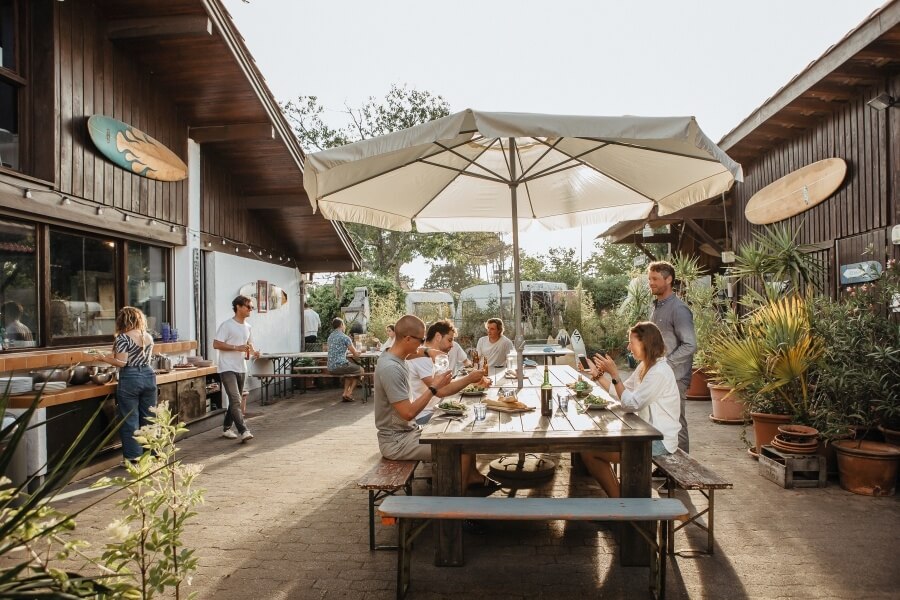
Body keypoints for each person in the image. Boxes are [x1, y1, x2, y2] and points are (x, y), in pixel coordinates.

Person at [374, 315, 497, 490]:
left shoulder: (392, 354)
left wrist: (428, 351)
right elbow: (408, 413)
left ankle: (470, 479)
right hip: (396, 442)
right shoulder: (391, 369)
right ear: (407, 338)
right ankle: (454, 506)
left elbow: (414, 352)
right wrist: (433, 387)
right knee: (459, 447)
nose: (423, 343)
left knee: (465, 436)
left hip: (409, 431)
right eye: (421, 339)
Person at [580, 321, 681, 498]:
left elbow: (630, 404)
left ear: (646, 343)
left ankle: (621, 504)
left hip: (658, 440)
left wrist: (615, 374)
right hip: (641, 432)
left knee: (590, 452)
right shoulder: (645, 367)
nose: (628, 347)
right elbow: (620, 392)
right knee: (591, 448)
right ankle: (621, 501)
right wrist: (597, 374)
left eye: (631, 342)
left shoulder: (659, 372)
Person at [647, 260, 696, 452]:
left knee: (676, 421)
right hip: (659, 373)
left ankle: (684, 469)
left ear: (669, 280)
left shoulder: (679, 309)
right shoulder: (657, 306)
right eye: (649, 279)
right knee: (659, 419)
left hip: (675, 377)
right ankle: (666, 465)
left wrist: (666, 364)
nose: (651, 283)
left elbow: (690, 344)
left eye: (655, 279)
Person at [99, 307, 156, 463]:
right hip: (148, 376)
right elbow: (137, 357)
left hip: (131, 378)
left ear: (123, 321)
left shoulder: (123, 338)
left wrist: (103, 358)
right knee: (149, 418)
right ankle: (151, 454)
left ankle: (133, 458)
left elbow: (122, 362)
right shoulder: (148, 337)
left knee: (130, 420)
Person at [407, 319, 491, 423]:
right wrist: (469, 379)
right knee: (472, 421)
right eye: (450, 340)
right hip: (426, 415)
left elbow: (446, 383)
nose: (452, 345)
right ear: (438, 337)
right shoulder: (422, 358)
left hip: (441, 409)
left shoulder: (438, 356)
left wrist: (473, 380)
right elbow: (440, 391)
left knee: (477, 414)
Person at [213, 295, 260, 442]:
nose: (250, 309)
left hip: (241, 367)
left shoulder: (248, 327)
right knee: (235, 399)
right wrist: (236, 347)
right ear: (238, 307)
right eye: (248, 306)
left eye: (252, 307)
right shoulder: (226, 325)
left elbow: (248, 345)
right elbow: (216, 344)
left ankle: (227, 428)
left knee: (236, 401)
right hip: (227, 368)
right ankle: (244, 430)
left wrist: (254, 352)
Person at [327, 317, 363, 402]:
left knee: (349, 372)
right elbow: (355, 355)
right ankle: (349, 393)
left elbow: (335, 350)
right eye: (344, 324)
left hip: (330, 367)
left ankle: (345, 394)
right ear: (341, 325)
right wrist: (359, 352)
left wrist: (345, 352)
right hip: (340, 365)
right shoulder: (345, 337)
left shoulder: (330, 337)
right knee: (361, 370)